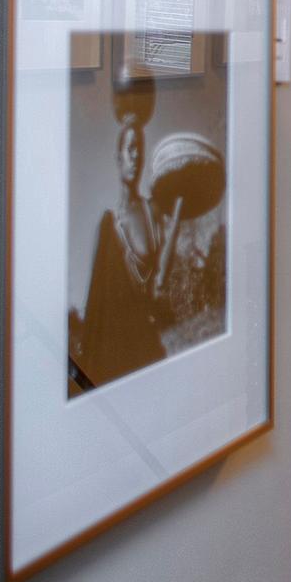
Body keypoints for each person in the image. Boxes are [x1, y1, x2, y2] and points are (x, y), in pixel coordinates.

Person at [70, 112, 165, 393]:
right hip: (114, 358)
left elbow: (160, 284)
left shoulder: (152, 212)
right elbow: (97, 303)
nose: (136, 156)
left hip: (146, 349)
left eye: (140, 150)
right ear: (118, 157)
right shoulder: (108, 226)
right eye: (130, 148)